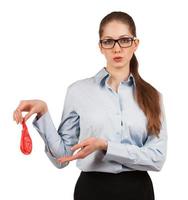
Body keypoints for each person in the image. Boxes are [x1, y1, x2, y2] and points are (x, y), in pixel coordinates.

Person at [13, 11, 167, 200]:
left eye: (124, 40)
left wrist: (105, 145)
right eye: (108, 41)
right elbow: (62, 157)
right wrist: (44, 114)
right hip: (92, 191)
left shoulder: (153, 96)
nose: (117, 49)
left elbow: (157, 158)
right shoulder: (78, 91)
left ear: (135, 44)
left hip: (138, 191)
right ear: (100, 46)